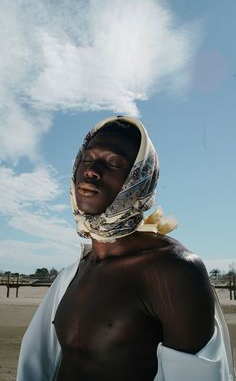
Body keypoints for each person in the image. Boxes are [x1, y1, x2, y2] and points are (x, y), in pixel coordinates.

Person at [17, 116, 234, 381]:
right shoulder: (74, 273)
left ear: (139, 178)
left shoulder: (172, 271)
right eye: (87, 159)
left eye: (112, 162)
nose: (91, 171)